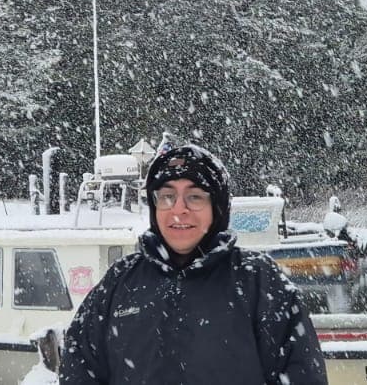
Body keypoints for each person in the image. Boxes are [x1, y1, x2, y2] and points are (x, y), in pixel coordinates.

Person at [59, 143, 327, 385]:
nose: (178, 209)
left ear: (217, 207)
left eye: (195, 196)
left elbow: (302, 373)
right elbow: (79, 364)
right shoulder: (120, 280)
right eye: (167, 196)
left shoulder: (259, 280)